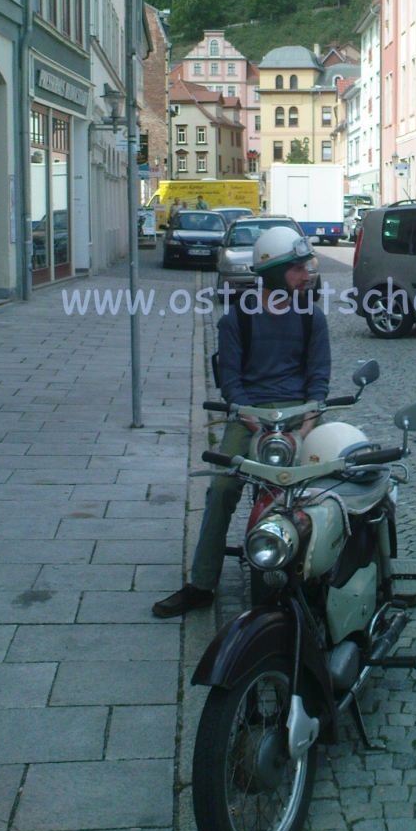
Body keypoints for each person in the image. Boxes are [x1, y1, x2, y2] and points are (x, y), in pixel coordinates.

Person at [153, 229, 329, 618]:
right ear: (274, 272)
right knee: (221, 487)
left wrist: (305, 426)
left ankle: (327, 573)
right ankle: (201, 583)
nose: (307, 275)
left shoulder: (311, 317)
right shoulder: (236, 320)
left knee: (327, 482)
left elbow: (319, 380)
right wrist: (257, 426)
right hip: (252, 417)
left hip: (300, 414)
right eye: (298, 269)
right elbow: (232, 386)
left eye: (307, 267)